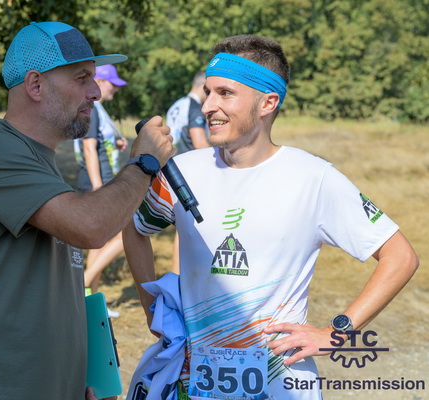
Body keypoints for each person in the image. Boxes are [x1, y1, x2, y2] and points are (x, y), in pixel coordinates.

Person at [123, 34, 419, 399]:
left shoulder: (313, 178)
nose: (208, 106)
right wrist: (152, 309)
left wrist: (336, 334)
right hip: (191, 382)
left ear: (268, 102)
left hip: (280, 383)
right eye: (208, 92)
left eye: (225, 94)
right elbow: (135, 229)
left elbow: (400, 257)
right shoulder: (181, 171)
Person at [0, 21, 174, 400]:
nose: (95, 91)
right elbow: (91, 226)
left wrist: (81, 374)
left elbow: (50, 287)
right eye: (81, 78)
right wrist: (144, 164)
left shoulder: (41, 161)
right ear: (35, 85)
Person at [75, 65, 128, 316]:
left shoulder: (98, 109)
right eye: (112, 83)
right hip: (98, 183)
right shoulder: (93, 108)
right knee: (126, 234)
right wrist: (98, 186)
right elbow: (88, 147)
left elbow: (96, 144)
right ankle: (83, 283)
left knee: (98, 243)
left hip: (100, 181)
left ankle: (92, 303)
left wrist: (114, 143)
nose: (115, 89)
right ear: (99, 81)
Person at [165, 71, 209, 273]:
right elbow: (199, 143)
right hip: (190, 172)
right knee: (189, 225)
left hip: (174, 168)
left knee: (181, 226)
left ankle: (178, 273)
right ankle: (180, 274)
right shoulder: (195, 108)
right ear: (203, 86)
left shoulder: (178, 104)